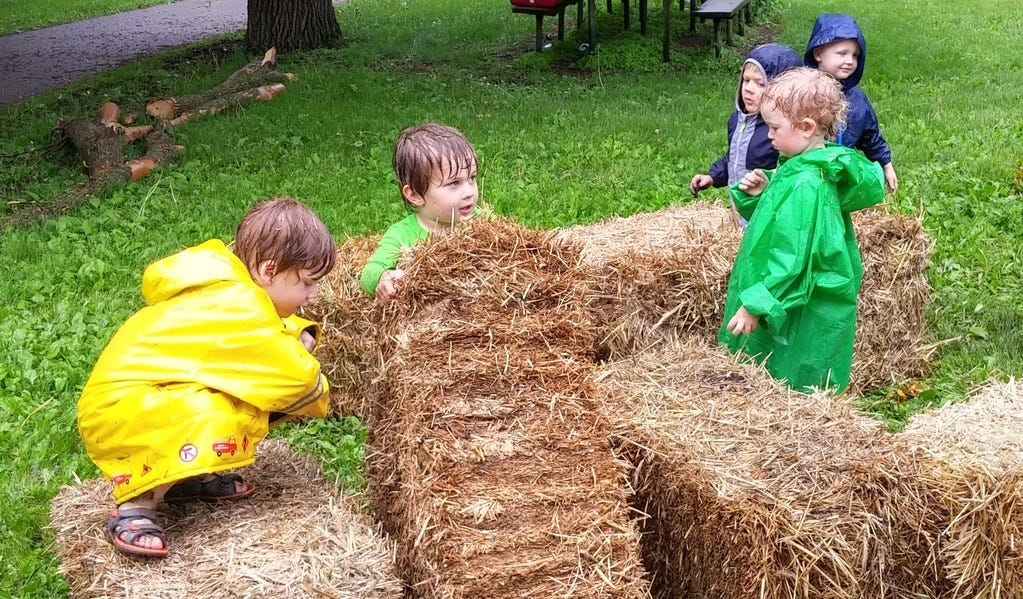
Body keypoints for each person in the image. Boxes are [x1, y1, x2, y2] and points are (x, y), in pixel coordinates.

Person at [77, 197, 336, 557]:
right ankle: (135, 506)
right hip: (122, 411)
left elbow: (255, 338)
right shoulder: (241, 308)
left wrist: (296, 333)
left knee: (228, 395)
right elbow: (294, 379)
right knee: (220, 405)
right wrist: (318, 384)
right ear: (268, 270)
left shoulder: (230, 291)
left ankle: (185, 477)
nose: (313, 294)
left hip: (132, 400)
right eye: (307, 283)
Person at [718, 67, 885, 394]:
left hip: (796, 296)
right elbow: (779, 224)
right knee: (780, 361)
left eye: (774, 128)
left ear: (806, 128)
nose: (768, 135)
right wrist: (761, 195)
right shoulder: (801, 168)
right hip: (790, 291)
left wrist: (758, 302)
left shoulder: (808, 184)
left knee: (792, 369)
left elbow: (793, 257)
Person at [360, 122, 482, 303]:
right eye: (454, 183)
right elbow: (370, 272)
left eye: (471, 178)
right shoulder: (403, 235)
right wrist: (383, 277)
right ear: (415, 194)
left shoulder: (483, 221)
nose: (469, 192)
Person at [690, 43, 803, 227]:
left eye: (760, 83)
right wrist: (712, 176)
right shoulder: (737, 120)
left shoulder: (780, 131)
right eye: (746, 79)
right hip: (741, 213)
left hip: (768, 218)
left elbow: (790, 172)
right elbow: (734, 157)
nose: (749, 89)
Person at [804, 13, 898, 194]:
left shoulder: (856, 98)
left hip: (839, 177)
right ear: (818, 53)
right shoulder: (803, 93)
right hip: (806, 178)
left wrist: (886, 164)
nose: (850, 61)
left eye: (855, 55)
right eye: (842, 53)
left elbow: (870, 134)